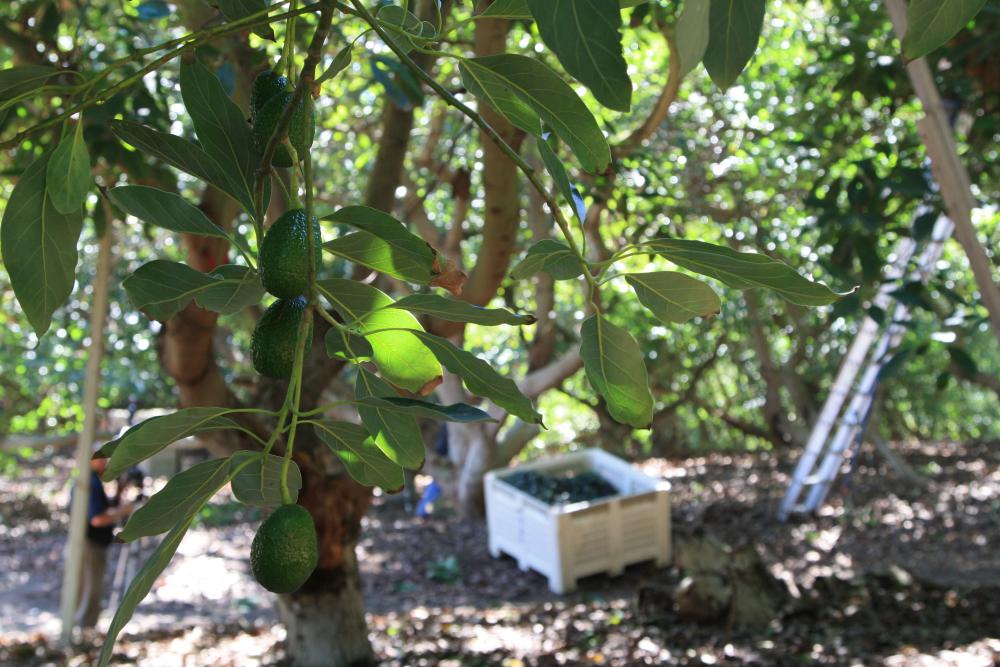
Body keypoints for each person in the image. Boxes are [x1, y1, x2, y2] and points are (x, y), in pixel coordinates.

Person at [73, 454, 133, 630]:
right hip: (90, 544)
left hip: (88, 543)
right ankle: (85, 628)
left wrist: (119, 493)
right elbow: (97, 519)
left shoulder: (88, 480)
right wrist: (123, 511)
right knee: (91, 589)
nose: (105, 462)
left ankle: (82, 626)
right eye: (101, 457)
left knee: (86, 587)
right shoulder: (90, 482)